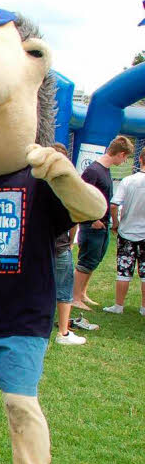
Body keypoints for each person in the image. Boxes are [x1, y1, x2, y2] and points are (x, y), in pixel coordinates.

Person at [72, 135, 134, 310]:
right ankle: (74, 297)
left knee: (95, 260)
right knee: (85, 262)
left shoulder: (105, 170)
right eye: (126, 157)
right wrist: (92, 220)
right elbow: (81, 196)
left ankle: (83, 293)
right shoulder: (93, 170)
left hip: (103, 224)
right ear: (120, 154)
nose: (125, 161)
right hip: (92, 225)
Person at [49, 143, 85, 344]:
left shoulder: (34, 184)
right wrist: (71, 241)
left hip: (39, 246)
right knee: (63, 290)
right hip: (59, 246)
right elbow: (74, 219)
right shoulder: (66, 188)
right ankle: (63, 332)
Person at [104, 147, 145, 315]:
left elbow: (114, 204)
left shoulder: (128, 180)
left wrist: (116, 222)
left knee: (123, 270)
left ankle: (118, 305)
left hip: (126, 231)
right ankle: (143, 307)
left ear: (140, 159)